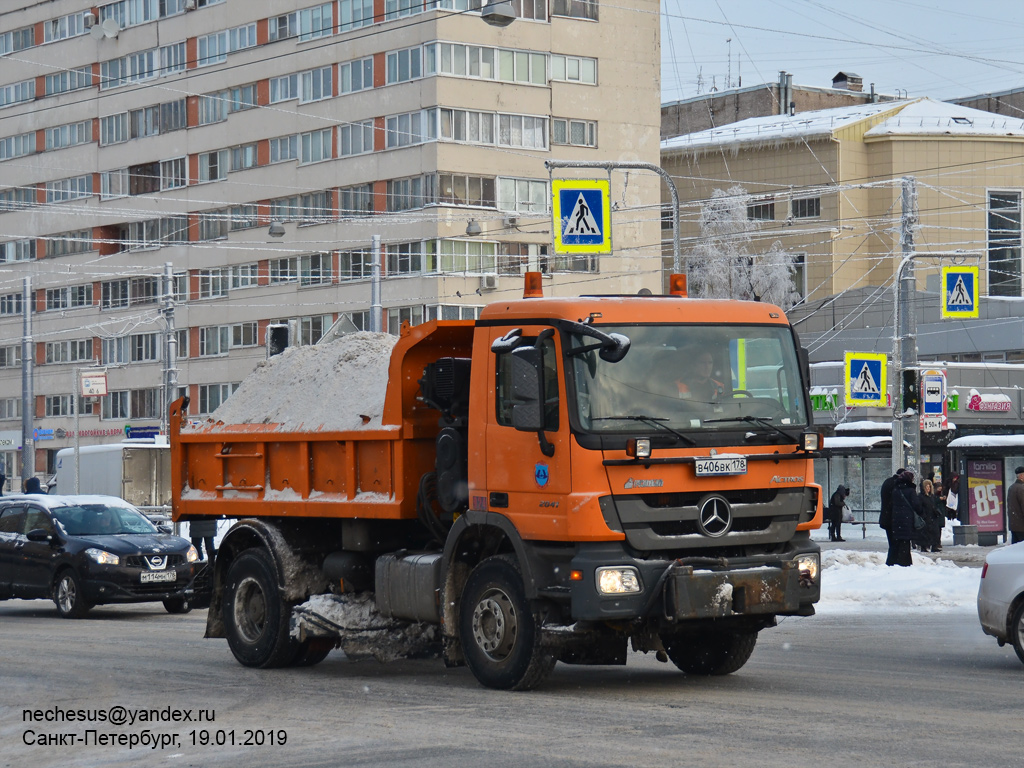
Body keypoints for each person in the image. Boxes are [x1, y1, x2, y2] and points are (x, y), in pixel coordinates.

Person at [889, 470, 922, 567]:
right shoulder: (910, 491)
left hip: (896, 520)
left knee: (898, 543)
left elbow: (892, 504)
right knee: (905, 543)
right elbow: (917, 505)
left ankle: (896, 562)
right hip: (907, 521)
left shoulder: (896, 490)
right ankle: (904, 563)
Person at [878, 468, 904, 554]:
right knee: (895, 544)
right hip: (893, 518)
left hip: (886, 517)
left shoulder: (887, 482)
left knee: (892, 543)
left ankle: (892, 560)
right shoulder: (896, 484)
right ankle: (892, 561)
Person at [919, 479, 943, 553]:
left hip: (933, 516)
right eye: (927, 487)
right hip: (925, 516)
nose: (928, 489)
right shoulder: (921, 496)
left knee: (935, 532)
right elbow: (919, 506)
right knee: (926, 532)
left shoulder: (932, 496)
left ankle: (934, 545)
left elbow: (933, 504)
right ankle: (924, 546)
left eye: (929, 487)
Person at [1008, 466, 1024, 545]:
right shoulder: (1021, 488)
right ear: (1021, 476)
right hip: (1022, 526)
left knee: (1015, 549)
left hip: (1014, 525)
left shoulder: (1012, 488)